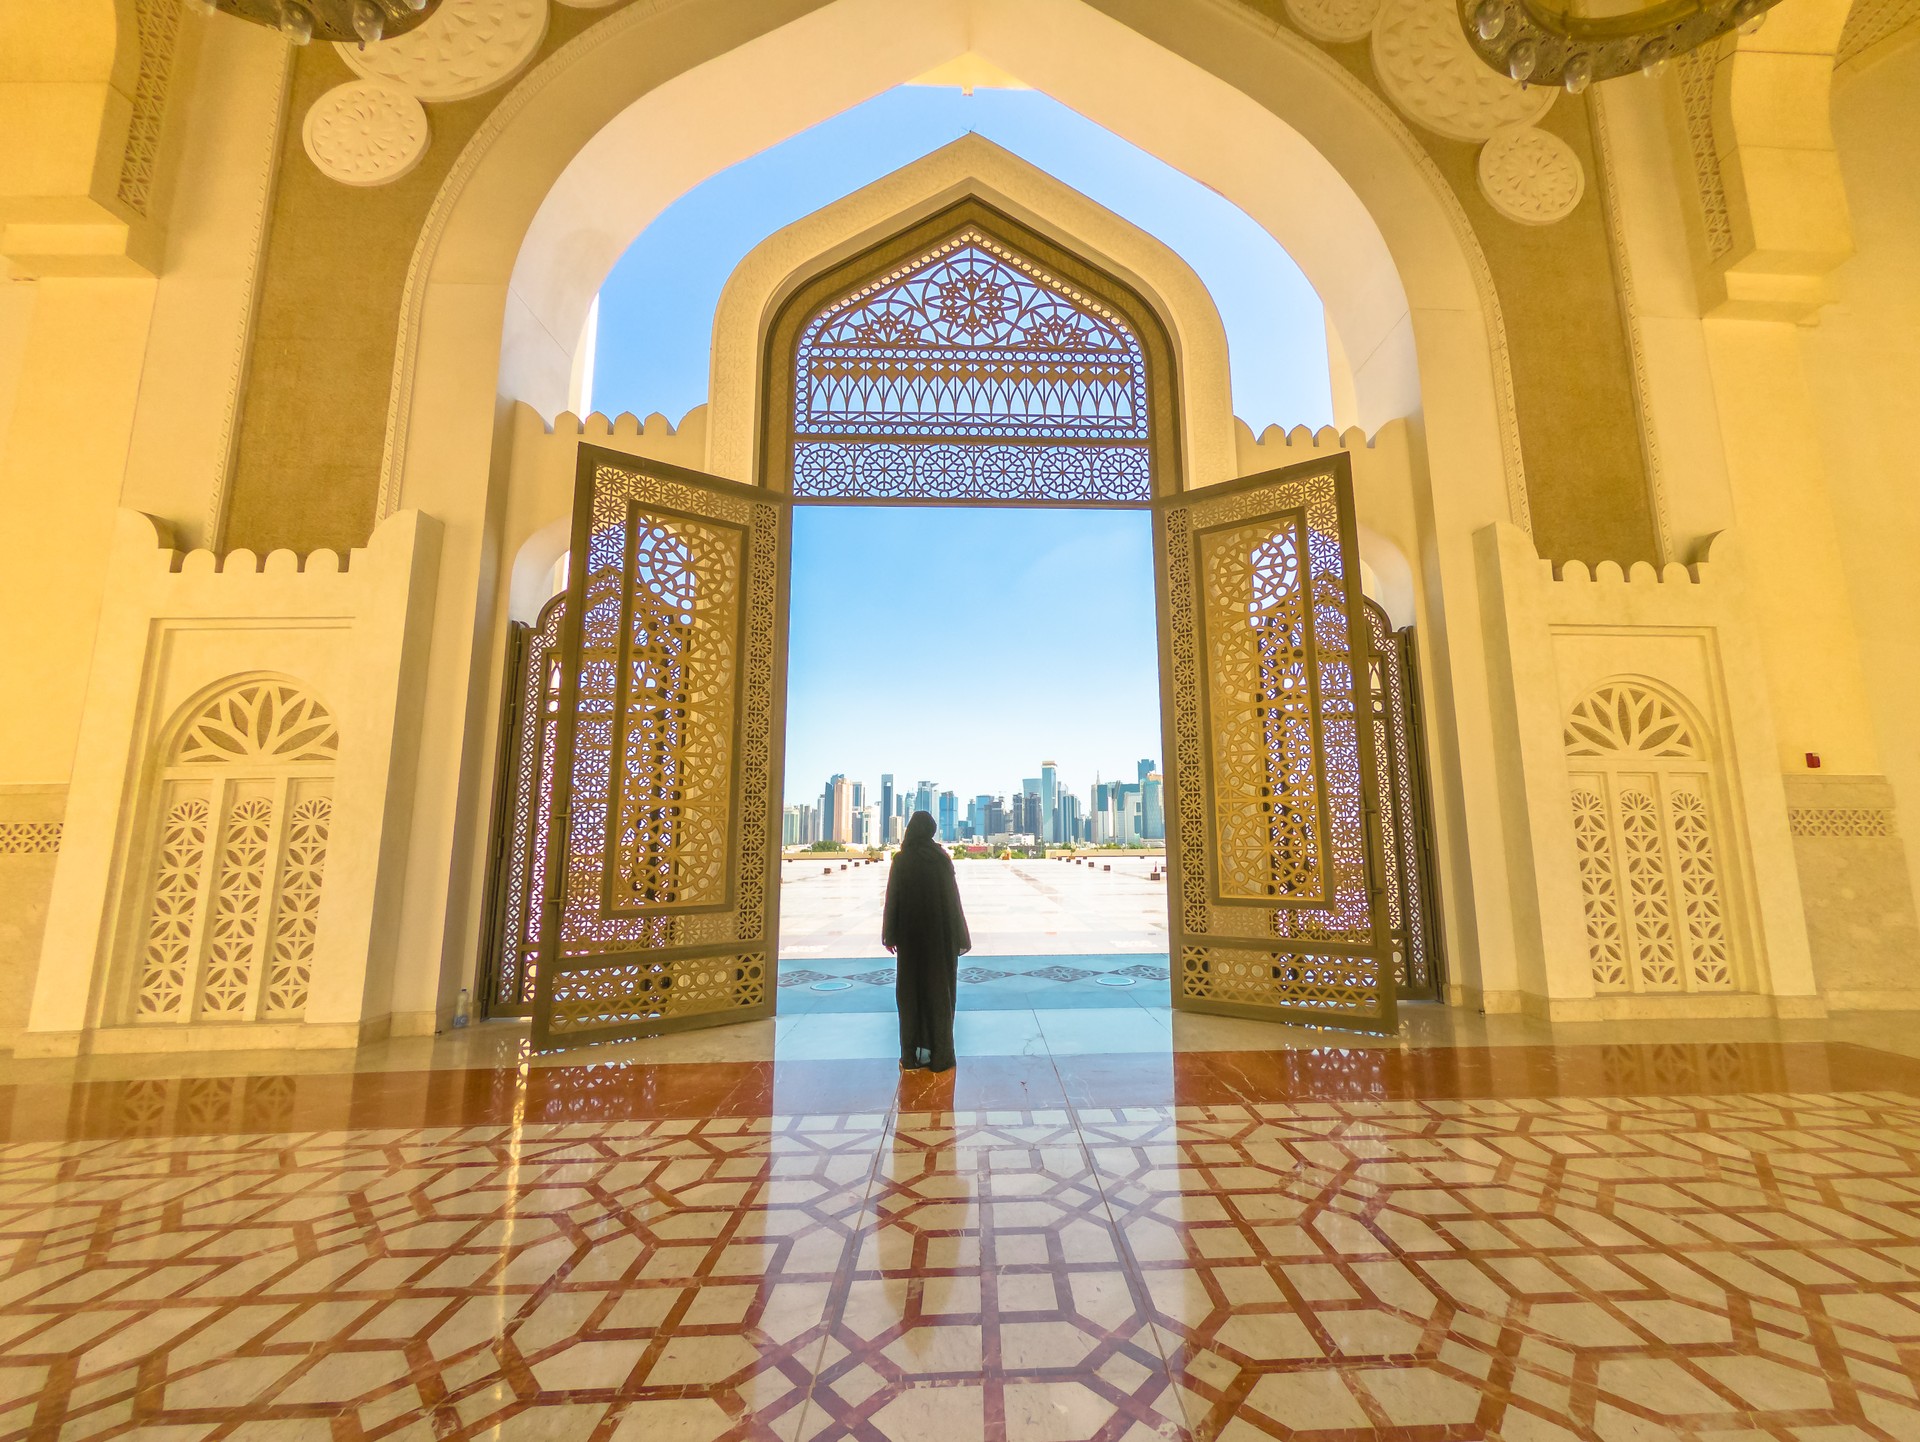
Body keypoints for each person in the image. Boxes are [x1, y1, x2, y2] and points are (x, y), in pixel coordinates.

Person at [882, 810, 971, 1072]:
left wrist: (890, 935)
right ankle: (941, 1055)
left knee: (911, 995)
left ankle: (911, 1056)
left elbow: (893, 900)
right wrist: (958, 937)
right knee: (938, 993)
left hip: (911, 940)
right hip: (939, 940)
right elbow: (953, 902)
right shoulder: (941, 860)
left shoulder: (902, 860)